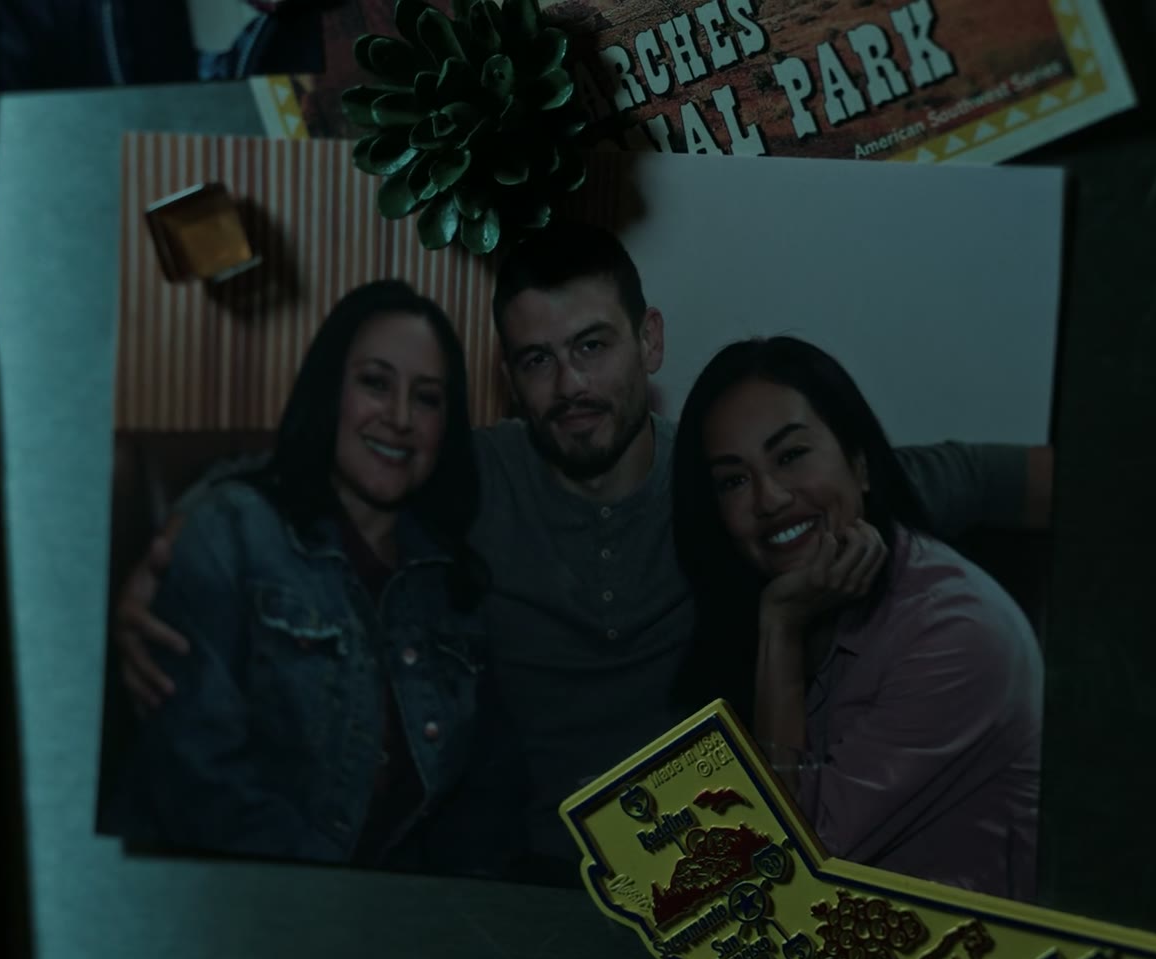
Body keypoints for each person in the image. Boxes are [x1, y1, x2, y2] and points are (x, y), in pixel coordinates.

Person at [111, 221, 1052, 881]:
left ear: (649, 341)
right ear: (509, 377)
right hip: (518, 869)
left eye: (593, 346)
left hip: (706, 870)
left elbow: (976, 473)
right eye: (537, 360)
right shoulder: (470, 475)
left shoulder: (736, 482)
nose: (570, 386)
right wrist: (171, 545)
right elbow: (313, 467)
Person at [104, 280, 492, 869]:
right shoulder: (230, 534)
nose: (400, 417)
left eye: (427, 398)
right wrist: (338, 905)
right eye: (375, 383)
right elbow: (198, 781)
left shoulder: (452, 585)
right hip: (225, 896)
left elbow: (472, 806)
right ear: (329, 389)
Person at [672, 335, 1043, 900]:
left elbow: (782, 872)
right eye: (733, 480)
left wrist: (780, 632)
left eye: (791, 456)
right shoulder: (770, 599)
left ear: (861, 465)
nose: (768, 499)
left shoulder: (957, 633)